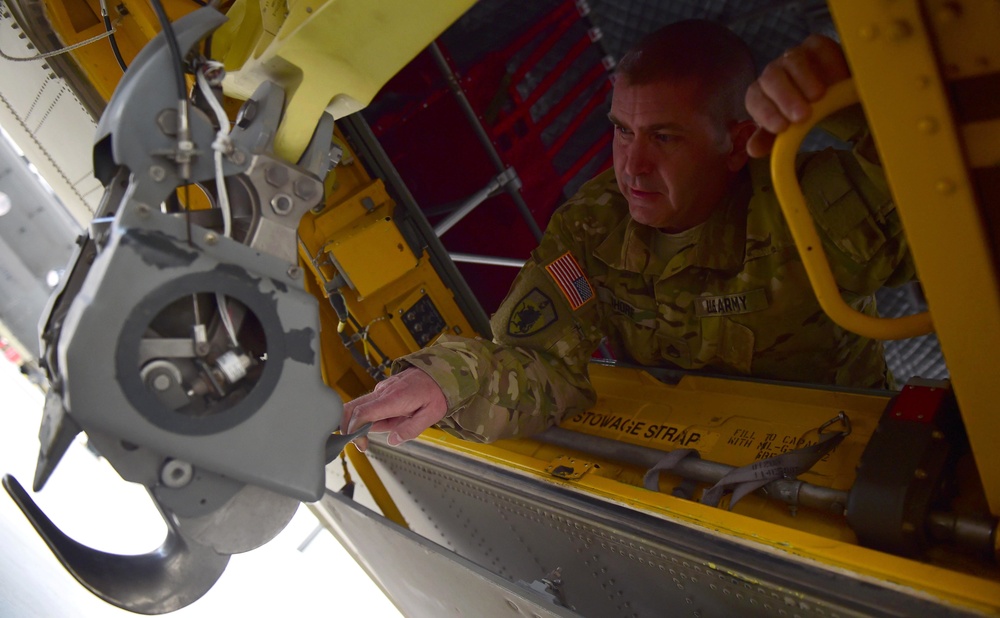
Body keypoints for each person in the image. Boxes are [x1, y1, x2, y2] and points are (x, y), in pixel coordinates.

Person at [343, 20, 913, 450]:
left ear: (737, 142)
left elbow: (954, 229)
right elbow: (543, 365)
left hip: (842, 454)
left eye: (664, 138)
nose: (632, 167)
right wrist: (448, 383)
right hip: (684, 462)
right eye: (622, 131)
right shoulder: (593, 226)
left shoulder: (806, 207)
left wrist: (860, 106)